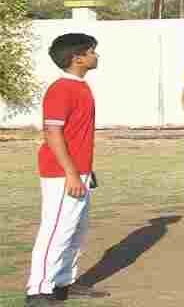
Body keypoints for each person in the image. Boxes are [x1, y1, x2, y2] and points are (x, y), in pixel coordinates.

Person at [24, 34, 111, 306]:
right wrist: (71, 173)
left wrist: (85, 170)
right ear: (78, 58)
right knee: (57, 229)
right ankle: (38, 290)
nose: (96, 55)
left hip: (78, 170)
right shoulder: (61, 89)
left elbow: (77, 135)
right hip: (61, 173)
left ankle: (63, 283)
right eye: (92, 51)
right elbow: (52, 132)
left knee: (75, 230)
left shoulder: (81, 87)